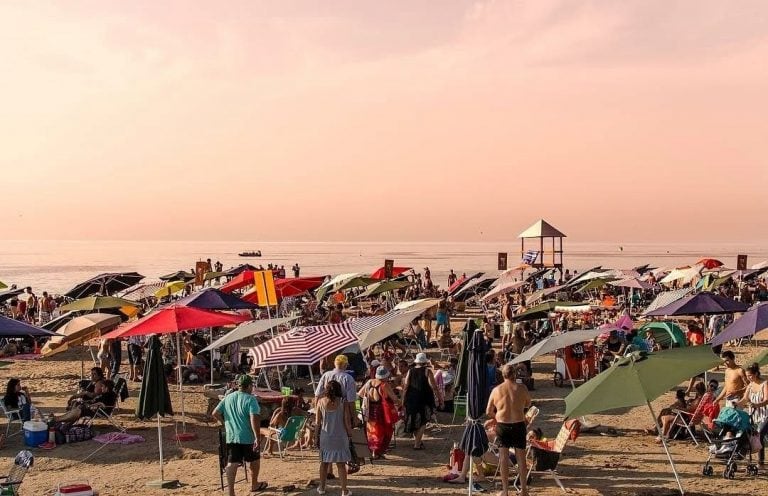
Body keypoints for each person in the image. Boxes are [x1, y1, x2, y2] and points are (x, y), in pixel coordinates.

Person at [212, 374, 267, 495]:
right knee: (254, 460)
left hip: (231, 436)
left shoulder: (228, 397)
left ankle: (231, 492)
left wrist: (224, 423)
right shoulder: (251, 399)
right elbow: (254, 419)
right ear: (248, 386)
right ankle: (254, 484)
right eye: (252, 385)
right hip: (247, 437)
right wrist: (257, 437)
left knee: (232, 463)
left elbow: (214, 413)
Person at [485, 364, 531, 496]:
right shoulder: (522, 388)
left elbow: (488, 411)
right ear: (514, 375)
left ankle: (505, 491)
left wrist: (496, 416)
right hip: (518, 424)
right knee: (521, 459)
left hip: (503, 425)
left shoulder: (496, 390)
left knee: (503, 458)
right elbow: (528, 403)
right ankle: (524, 490)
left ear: (503, 375)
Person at [315, 379, 353, 496]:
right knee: (341, 465)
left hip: (326, 437)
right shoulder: (342, 402)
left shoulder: (320, 402)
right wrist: (350, 434)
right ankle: (344, 490)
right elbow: (347, 421)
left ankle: (321, 487)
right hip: (340, 436)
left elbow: (318, 423)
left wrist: (316, 437)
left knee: (324, 463)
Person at [358, 366, 400, 459]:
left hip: (369, 410)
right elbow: (395, 398)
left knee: (372, 431)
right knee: (383, 432)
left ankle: (373, 451)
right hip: (381, 412)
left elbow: (360, 394)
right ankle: (377, 452)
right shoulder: (384, 385)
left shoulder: (369, 382)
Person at [402, 353, 441, 449]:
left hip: (411, 398)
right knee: (424, 420)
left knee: (414, 419)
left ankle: (418, 441)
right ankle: (417, 444)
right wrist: (440, 398)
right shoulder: (427, 371)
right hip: (424, 398)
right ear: (425, 362)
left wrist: (403, 399)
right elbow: (434, 386)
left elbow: (406, 386)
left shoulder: (410, 371)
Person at [738, 363, 768, 464]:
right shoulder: (750, 385)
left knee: (759, 434)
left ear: (756, 374)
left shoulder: (765, 383)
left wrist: (756, 404)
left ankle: (761, 461)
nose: (748, 378)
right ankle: (750, 460)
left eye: (750, 375)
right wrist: (736, 404)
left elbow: (766, 400)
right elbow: (745, 399)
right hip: (754, 415)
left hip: (765, 414)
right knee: (750, 435)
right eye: (747, 376)